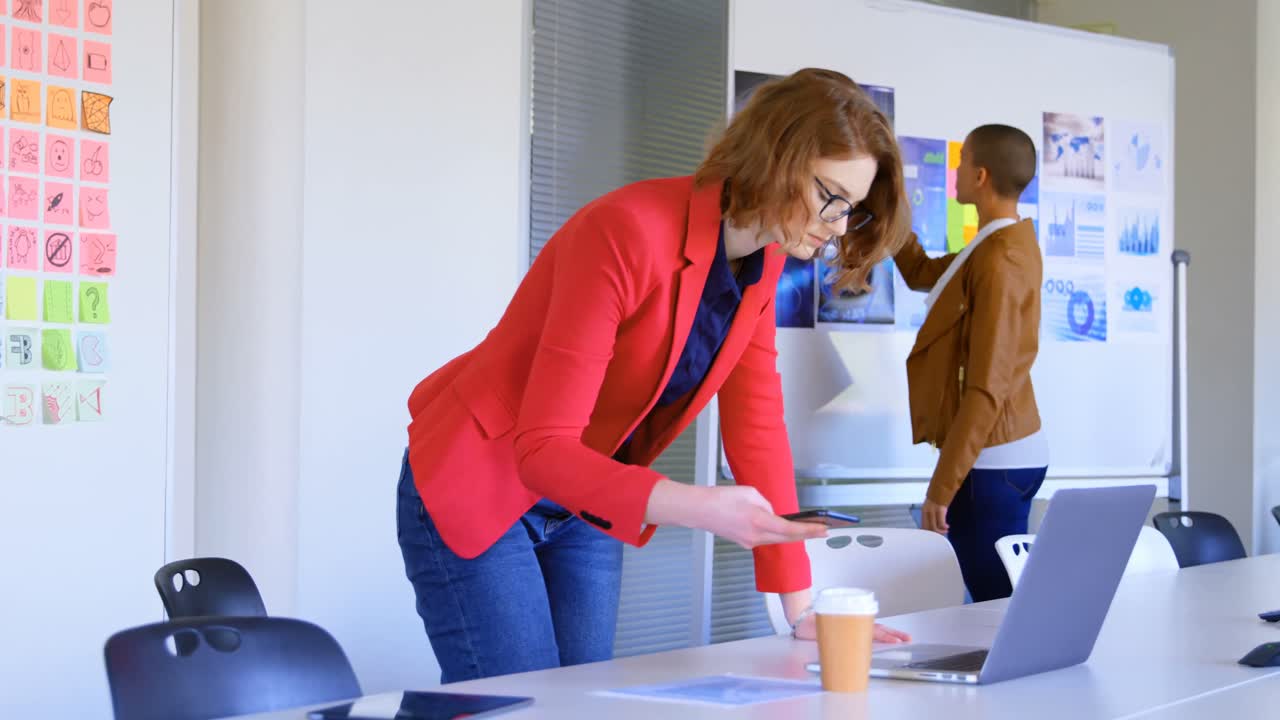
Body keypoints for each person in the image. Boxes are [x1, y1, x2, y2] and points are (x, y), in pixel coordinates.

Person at [396, 68, 912, 684]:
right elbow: (541, 448)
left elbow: (756, 427)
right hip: (482, 474)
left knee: (585, 701)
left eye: (848, 209)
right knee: (526, 705)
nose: (834, 223)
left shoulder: (765, 259)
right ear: (775, 156)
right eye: (829, 195)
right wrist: (700, 507)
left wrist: (800, 606)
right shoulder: (625, 231)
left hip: (585, 497)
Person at [894, 124, 1047, 602]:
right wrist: (889, 210)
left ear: (980, 176)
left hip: (993, 464)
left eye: (962, 164)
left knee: (994, 612)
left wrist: (941, 489)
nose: (956, 173)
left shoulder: (1000, 258)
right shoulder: (998, 242)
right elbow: (923, 273)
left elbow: (986, 387)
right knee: (997, 605)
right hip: (1005, 457)